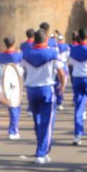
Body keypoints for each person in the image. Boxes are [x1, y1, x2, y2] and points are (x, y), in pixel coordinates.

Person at [22, 29, 66, 164]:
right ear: (46, 39)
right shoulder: (52, 53)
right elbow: (61, 72)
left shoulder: (26, 54)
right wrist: (62, 86)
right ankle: (41, 153)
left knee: (38, 121)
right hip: (46, 88)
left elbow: (21, 71)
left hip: (31, 90)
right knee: (47, 122)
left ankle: (42, 148)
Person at [0, 37, 23, 140]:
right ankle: (13, 130)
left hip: (2, 81)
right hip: (14, 81)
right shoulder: (18, 55)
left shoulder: (0, 56)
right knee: (14, 105)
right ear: (14, 43)